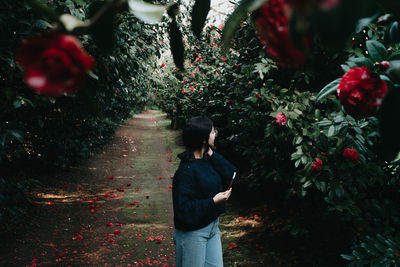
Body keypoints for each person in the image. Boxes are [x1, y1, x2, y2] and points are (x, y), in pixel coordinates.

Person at [172, 116, 237, 267]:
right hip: (192, 234)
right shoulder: (186, 171)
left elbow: (232, 175)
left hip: (212, 228)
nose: (215, 134)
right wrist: (213, 201)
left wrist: (212, 154)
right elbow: (183, 211)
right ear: (203, 139)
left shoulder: (209, 160)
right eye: (213, 132)